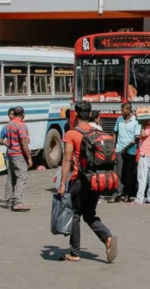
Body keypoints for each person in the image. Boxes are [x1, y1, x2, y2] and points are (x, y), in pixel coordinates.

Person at [58, 101, 118, 263]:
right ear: (90, 114)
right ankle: (108, 237)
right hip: (96, 179)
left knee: (76, 214)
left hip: (79, 179)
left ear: (76, 115)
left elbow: (67, 159)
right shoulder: (97, 132)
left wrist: (63, 183)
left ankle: (75, 252)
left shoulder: (72, 134)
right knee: (89, 214)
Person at [3, 106, 33, 212]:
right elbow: (24, 142)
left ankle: (9, 201)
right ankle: (17, 202)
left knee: (11, 178)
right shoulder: (21, 125)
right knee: (22, 177)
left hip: (10, 154)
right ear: (23, 114)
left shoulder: (9, 124)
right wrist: (29, 157)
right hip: (18, 154)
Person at [110, 103, 140, 203]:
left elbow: (136, 138)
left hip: (130, 151)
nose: (121, 112)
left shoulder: (136, 121)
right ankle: (117, 194)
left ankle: (128, 194)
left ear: (129, 110)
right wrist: (114, 146)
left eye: (123, 110)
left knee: (128, 174)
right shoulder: (119, 119)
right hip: (119, 150)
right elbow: (115, 132)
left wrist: (126, 148)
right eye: (121, 110)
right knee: (118, 173)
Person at [134, 117, 150, 204]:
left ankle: (139, 198)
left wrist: (142, 126)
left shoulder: (149, 127)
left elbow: (142, 135)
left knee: (142, 176)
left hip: (145, 153)